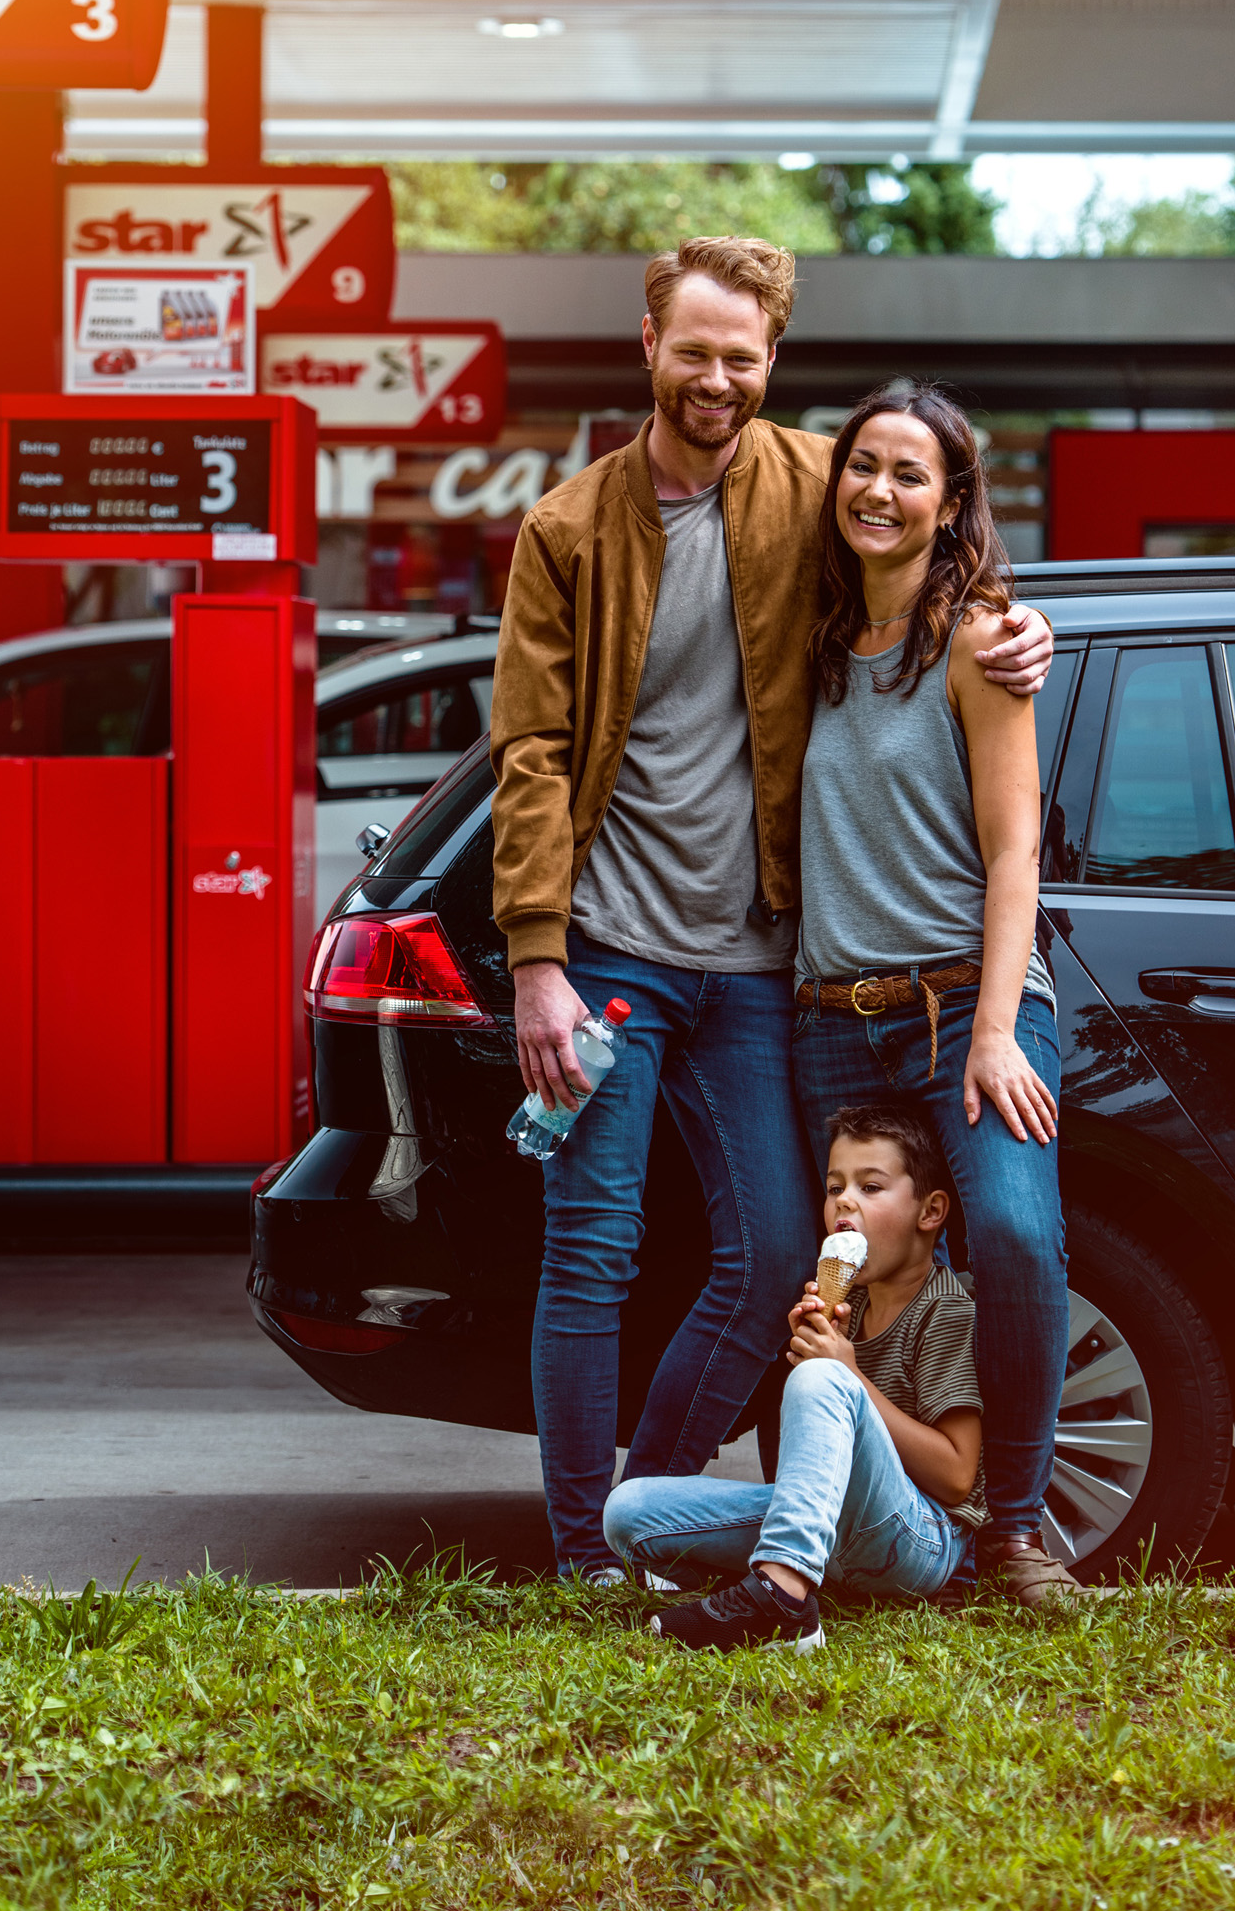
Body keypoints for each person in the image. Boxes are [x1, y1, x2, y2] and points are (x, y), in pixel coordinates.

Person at [489, 238, 1054, 1581]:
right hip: (613, 959)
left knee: (766, 1267)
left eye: (742, 357)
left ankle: (653, 1516)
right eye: (693, 351)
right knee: (590, 1252)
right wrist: (535, 960)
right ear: (646, 344)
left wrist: (1027, 627)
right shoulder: (567, 529)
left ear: (770, 365)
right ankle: (586, 1554)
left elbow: (935, 537)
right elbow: (530, 753)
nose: (716, 379)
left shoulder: (817, 478)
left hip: (760, 964)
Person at [789, 379, 1075, 1611]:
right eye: (863, 465)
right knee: (839, 1268)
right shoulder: (803, 641)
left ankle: (1010, 1527)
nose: (881, 490)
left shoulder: (978, 640)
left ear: (954, 499)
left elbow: (1016, 851)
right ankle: (851, 1521)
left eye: (913, 473)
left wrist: (1001, 1029)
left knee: (1013, 1234)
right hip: (830, 1017)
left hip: (970, 1003)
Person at [604, 1102, 985, 1649]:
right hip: (832, 1537)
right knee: (629, 1510)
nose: (845, 1203)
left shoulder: (946, 1311)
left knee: (824, 1381)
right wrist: (812, 1355)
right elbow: (802, 1476)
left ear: (930, 1211)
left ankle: (781, 1599)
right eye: (835, 1188)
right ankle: (790, 1576)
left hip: (918, 1543)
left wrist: (843, 1373)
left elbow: (956, 1476)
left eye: (871, 1188)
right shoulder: (846, 1305)